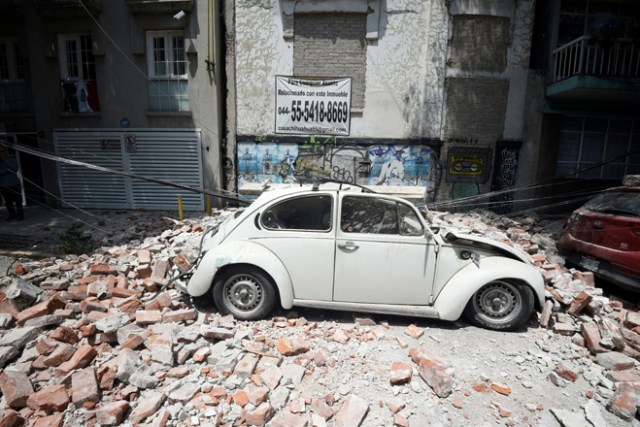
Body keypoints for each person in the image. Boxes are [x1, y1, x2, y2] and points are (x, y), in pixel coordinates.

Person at [0, 146, 23, 221]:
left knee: (18, 200)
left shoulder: (11, 159)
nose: (1, 153)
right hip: (3, 184)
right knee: (8, 201)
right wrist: (5, 171)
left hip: (14, 183)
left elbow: (15, 168)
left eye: (2, 151)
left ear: (5, 151)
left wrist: (5, 161)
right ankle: (12, 215)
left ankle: (20, 216)